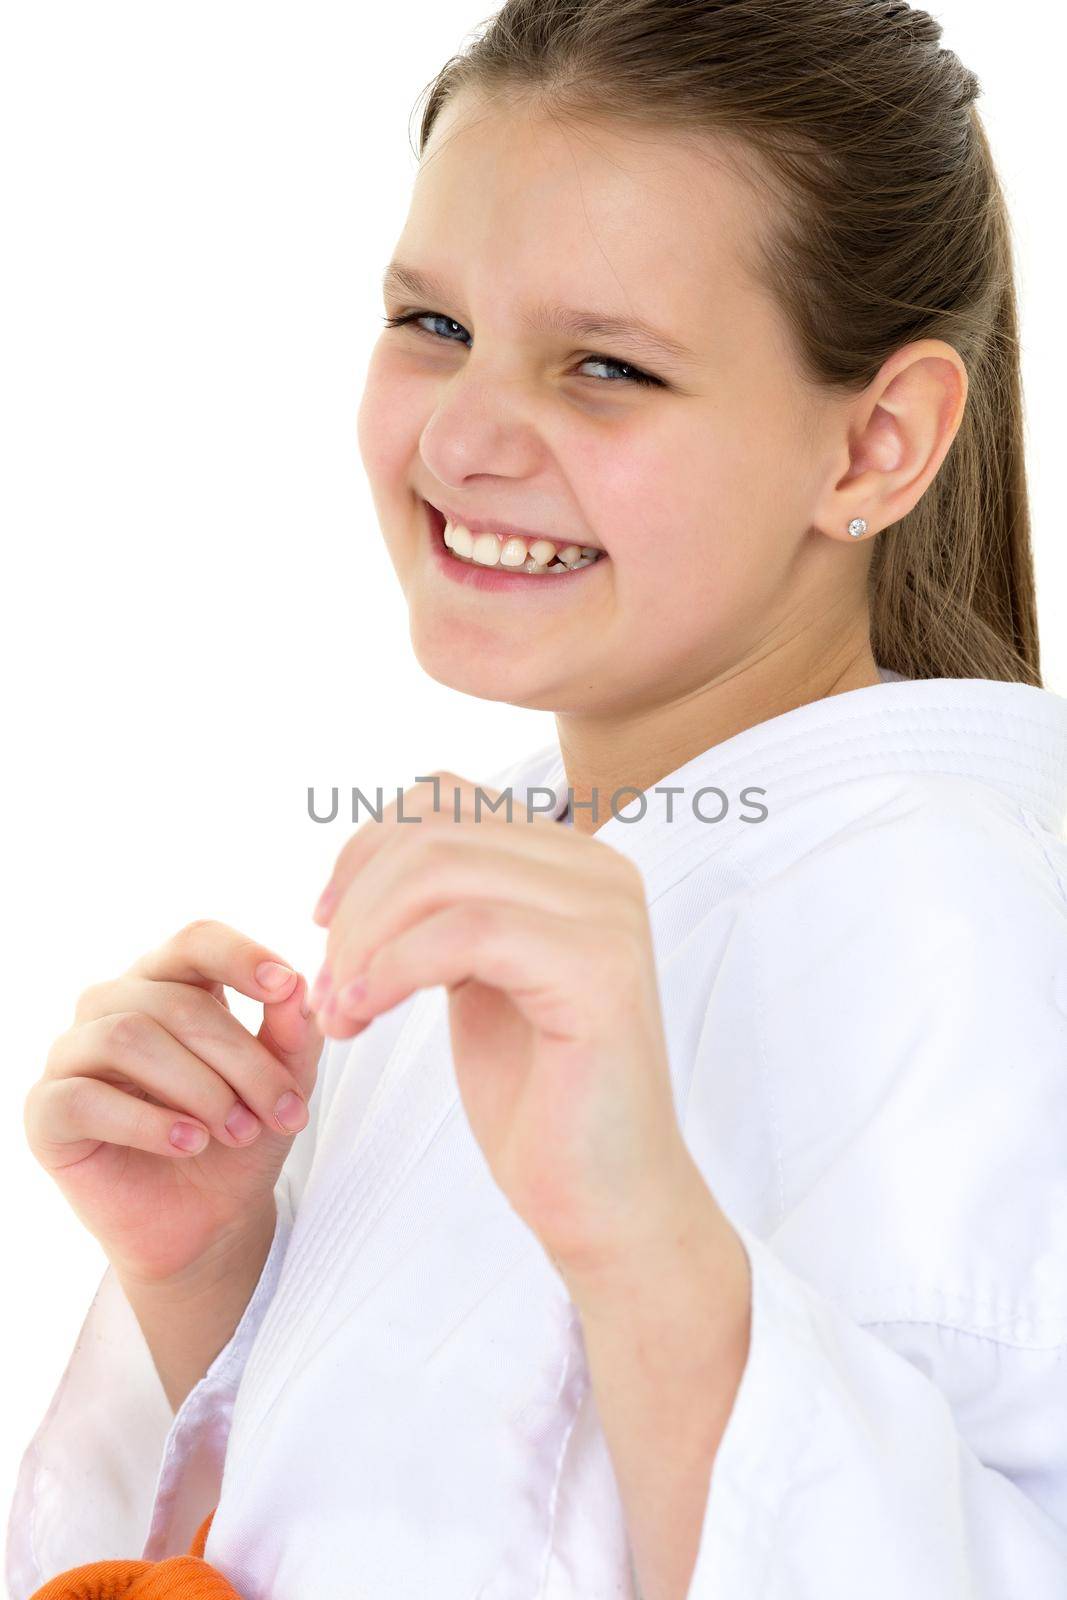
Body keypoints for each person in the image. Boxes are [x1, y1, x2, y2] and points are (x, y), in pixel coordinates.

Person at [8, 2, 1067, 1596]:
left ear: (876, 443)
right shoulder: (519, 865)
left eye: (608, 367)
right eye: (430, 324)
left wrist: (641, 1233)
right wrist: (214, 1274)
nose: (462, 436)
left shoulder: (961, 928)